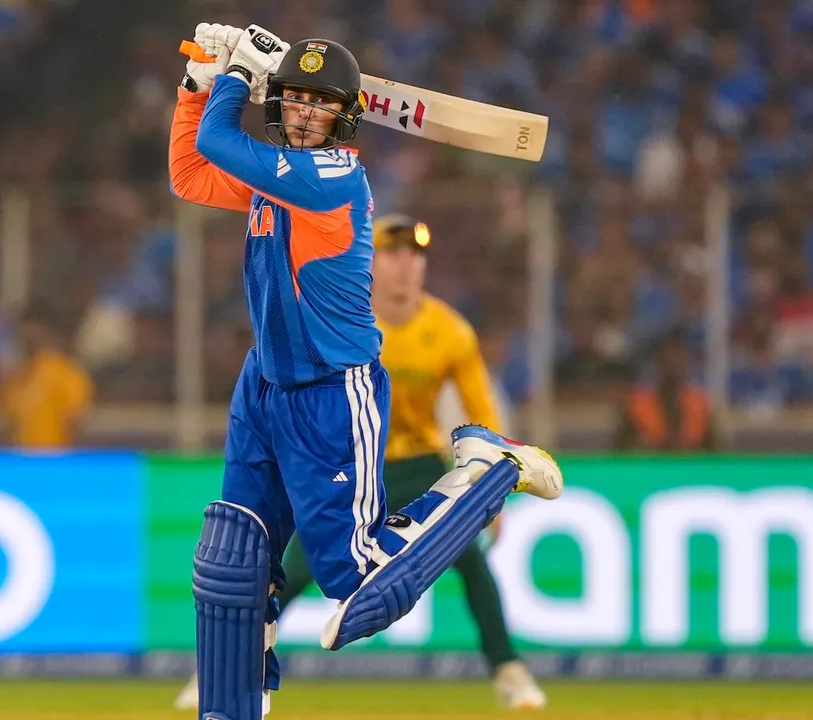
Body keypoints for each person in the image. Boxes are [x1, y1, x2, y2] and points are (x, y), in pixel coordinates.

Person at [169, 23, 563, 719]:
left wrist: (234, 74)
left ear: (346, 115)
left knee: (364, 584)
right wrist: (200, 78)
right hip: (262, 387)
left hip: (330, 390)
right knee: (234, 565)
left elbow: (215, 143)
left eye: (321, 103)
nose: (304, 113)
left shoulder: (331, 177)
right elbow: (191, 174)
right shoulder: (275, 175)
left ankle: (489, 467)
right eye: (293, 98)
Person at [175, 215, 545, 710]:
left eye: (414, 256)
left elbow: (481, 412)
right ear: (371, 261)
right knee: (295, 570)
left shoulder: (450, 332)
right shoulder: (344, 322)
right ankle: (228, 669)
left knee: (473, 565)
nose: (405, 266)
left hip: (416, 464)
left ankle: (509, 671)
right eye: (393, 254)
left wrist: (487, 492)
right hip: (347, 465)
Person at [0, 304, 93, 449]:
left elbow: (75, 424)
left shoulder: (66, 373)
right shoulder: (14, 378)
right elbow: (7, 426)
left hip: (53, 462)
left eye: (35, 328)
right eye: (24, 328)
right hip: (21, 462)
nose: (28, 334)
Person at [614, 329, 715, 451]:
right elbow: (619, 456)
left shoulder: (701, 405)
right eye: (669, 354)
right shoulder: (635, 406)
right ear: (657, 359)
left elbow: (719, 456)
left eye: (680, 354)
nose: (674, 361)